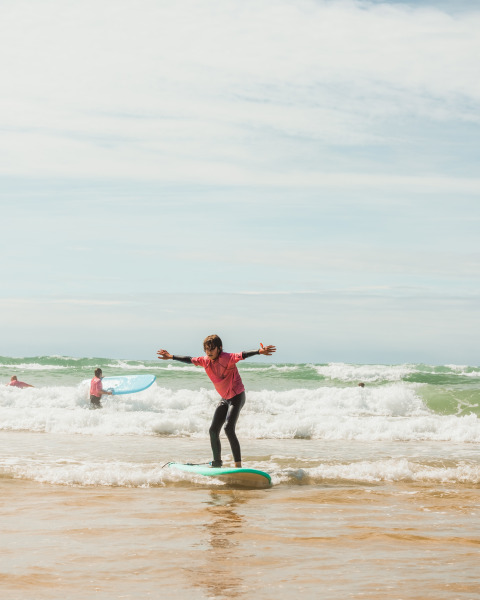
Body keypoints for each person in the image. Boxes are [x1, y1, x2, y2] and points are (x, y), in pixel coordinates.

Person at [157, 335, 276, 468]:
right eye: (207, 349)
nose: (209, 352)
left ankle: (238, 466)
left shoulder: (227, 358)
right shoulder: (205, 361)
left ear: (219, 348)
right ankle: (217, 463)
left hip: (237, 396)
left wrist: (260, 351)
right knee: (213, 431)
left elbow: (243, 355)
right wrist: (170, 356)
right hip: (225, 398)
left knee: (228, 428)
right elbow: (189, 359)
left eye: (212, 348)